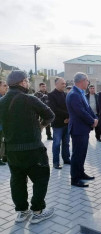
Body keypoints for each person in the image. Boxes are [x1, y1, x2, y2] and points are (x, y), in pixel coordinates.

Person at [0, 70, 55, 223]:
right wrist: (41, 126)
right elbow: (50, 115)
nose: (28, 83)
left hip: (12, 151)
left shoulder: (2, 101)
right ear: (22, 82)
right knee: (41, 178)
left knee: (17, 181)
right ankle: (37, 211)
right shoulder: (30, 99)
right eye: (27, 80)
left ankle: (22, 212)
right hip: (33, 150)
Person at [66, 72, 98, 188]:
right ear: (81, 81)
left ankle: (81, 173)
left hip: (83, 129)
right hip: (78, 129)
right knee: (77, 154)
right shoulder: (74, 94)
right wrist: (92, 121)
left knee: (82, 153)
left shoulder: (81, 93)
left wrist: (95, 118)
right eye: (87, 80)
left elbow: (88, 108)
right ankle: (75, 179)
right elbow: (80, 112)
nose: (88, 82)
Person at [48, 77, 70, 169]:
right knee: (56, 144)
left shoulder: (66, 94)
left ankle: (66, 159)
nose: (64, 85)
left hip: (67, 122)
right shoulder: (51, 95)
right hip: (57, 124)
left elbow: (69, 107)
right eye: (62, 83)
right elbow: (54, 109)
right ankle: (56, 162)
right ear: (56, 84)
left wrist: (68, 118)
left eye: (65, 83)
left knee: (66, 143)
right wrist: (66, 116)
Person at [0, 80, 9, 165]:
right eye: (4, 86)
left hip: (4, 125)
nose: (7, 87)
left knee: (3, 141)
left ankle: (4, 157)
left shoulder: (4, 97)